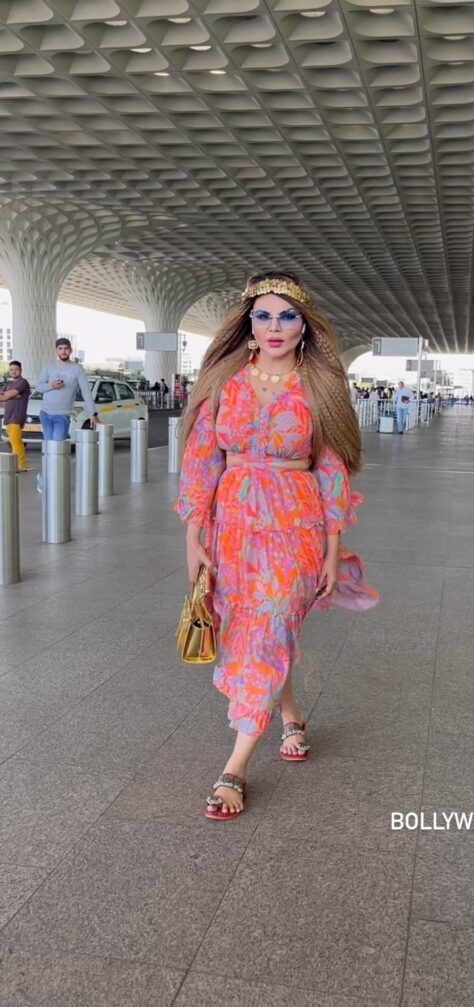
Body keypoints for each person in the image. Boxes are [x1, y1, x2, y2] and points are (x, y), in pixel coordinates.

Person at [176, 271, 379, 820]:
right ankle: (290, 715)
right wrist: (194, 534)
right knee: (255, 627)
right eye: (263, 315)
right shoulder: (224, 381)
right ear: (247, 322)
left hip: (296, 525)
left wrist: (334, 548)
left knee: (269, 621)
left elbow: (333, 470)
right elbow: (201, 459)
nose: (273, 326)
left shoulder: (320, 387)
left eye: (286, 315)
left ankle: (236, 766)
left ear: (304, 326)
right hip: (233, 525)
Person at [35, 339, 99, 440]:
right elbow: (39, 387)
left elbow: (86, 392)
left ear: (71, 350)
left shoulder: (77, 368)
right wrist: (51, 385)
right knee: (49, 447)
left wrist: (92, 413)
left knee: (57, 447)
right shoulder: (49, 367)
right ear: (56, 350)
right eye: (60, 349)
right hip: (45, 413)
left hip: (62, 415)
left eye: (66, 348)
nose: (63, 351)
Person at [0, 360, 31, 471]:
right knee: (14, 442)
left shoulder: (23, 383)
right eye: (11, 369)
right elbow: (2, 397)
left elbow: (3, 397)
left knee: (16, 442)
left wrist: (7, 396)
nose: (13, 371)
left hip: (16, 416)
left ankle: (21, 466)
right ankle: (18, 465)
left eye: (16, 369)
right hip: (8, 416)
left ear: (20, 370)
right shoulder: (9, 384)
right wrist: (11, 396)